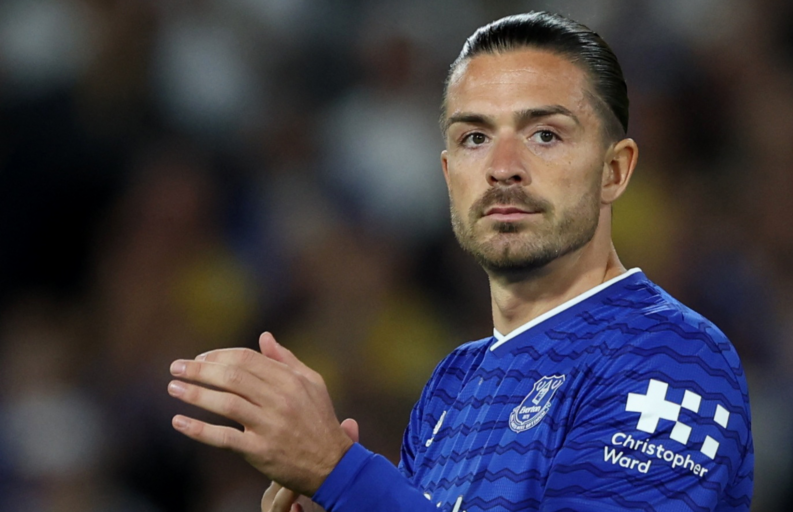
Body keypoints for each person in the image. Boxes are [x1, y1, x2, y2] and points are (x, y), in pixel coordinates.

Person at [167, 11, 754, 512]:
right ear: (449, 175)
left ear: (615, 170)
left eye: (545, 134)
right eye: (474, 137)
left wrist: (340, 474)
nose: (503, 166)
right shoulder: (453, 384)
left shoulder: (672, 358)